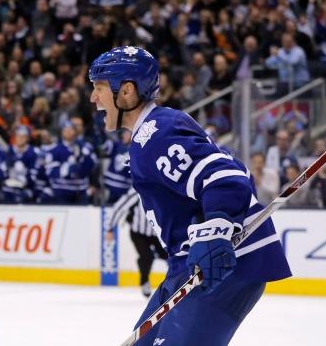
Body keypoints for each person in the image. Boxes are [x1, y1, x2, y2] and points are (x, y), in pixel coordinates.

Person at [89, 46, 291, 346]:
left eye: (100, 88)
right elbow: (239, 172)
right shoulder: (157, 129)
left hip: (220, 267)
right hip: (187, 266)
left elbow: (227, 178)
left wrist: (216, 228)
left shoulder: (155, 134)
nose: (94, 98)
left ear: (127, 91)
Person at [104, 184, 168, 298]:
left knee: (169, 256)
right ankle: (144, 282)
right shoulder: (137, 191)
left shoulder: (164, 189)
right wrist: (109, 228)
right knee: (147, 257)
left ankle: (178, 281)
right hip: (138, 233)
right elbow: (119, 207)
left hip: (158, 234)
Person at [44, 120, 98, 204]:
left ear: (75, 131)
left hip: (81, 191)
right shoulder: (54, 149)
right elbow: (50, 172)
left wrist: (85, 158)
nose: (68, 132)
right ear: (62, 132)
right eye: (65, 130)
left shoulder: (85, 147)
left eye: (70, 130)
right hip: (61, 191)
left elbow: (93, 167)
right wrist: (65, 170)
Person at [3, 125, 39, 203]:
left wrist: (24, 180)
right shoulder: (9, 151)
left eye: (23, 136)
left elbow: (34, 175)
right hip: (10, 184)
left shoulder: (33, 153)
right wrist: (6, 176)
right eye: (18, 135)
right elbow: (2, 168)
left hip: (27, 187)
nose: (20, 138)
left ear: (28, 138)